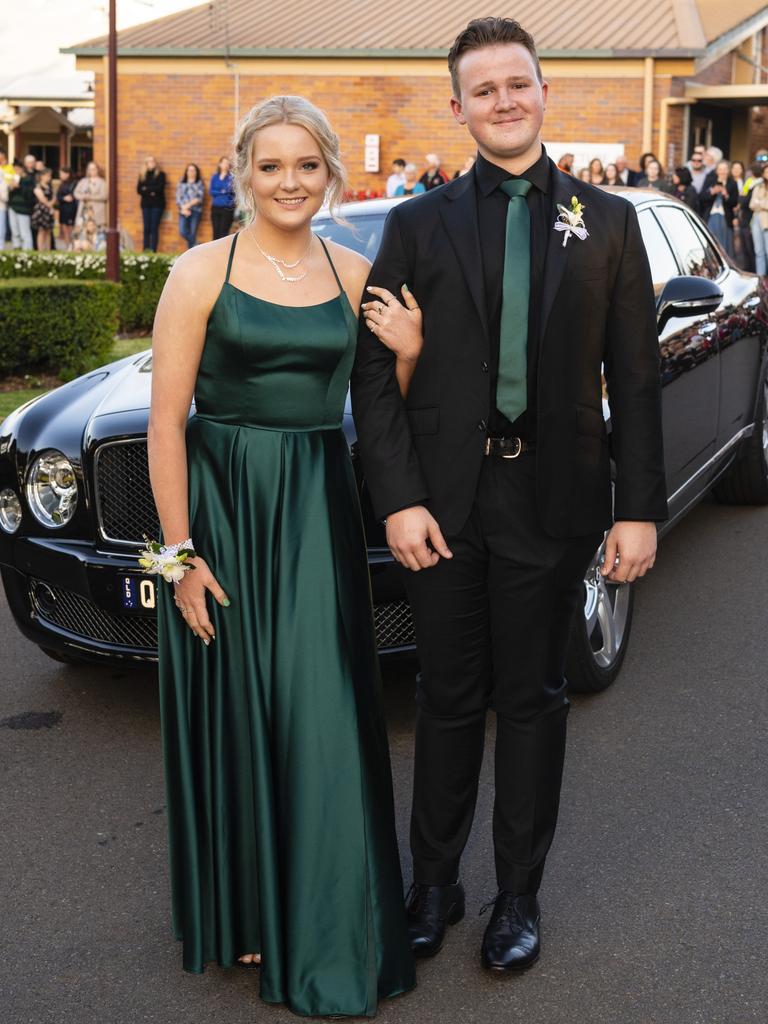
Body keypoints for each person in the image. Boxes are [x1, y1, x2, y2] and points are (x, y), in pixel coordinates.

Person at [352, 15, 666, 975]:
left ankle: (517, 897)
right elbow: (374, 372)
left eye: (517, 84)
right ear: (458, 107)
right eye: (481, 90)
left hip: (555, 500)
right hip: (444, 506)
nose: (503, 101)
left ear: (543, 90)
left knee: (531, 700)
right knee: (447, 698)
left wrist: (637, 507)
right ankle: (433, 887)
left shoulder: (604, 223)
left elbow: (636, 377)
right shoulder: (416, 223)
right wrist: (399, 498)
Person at [146, 94, 416, 1016]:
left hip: (314, 515)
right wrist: (178, 556)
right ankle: (253, 914)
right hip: (224, 511)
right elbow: (165, 423)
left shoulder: (354, 273)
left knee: (323, 713)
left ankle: (332, 924)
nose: (290, 182)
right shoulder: (198, 272)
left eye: (307, 165)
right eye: (271, 166)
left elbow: (386, 408)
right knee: (238, 710)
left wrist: (410, 353)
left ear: (331, 171)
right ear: (242, 172)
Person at [700, 159, 738, 257]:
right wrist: (712, 192)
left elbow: (734, 202)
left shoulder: (732, 183)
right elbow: (701, 197)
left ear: (728, 170)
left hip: (725, 217)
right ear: (717, 171)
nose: (722, 172)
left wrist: (726, 195)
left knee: (725, 243)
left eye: (725, 169)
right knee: (711, 241)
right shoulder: (710, 180)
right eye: (720, 169)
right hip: (711, 216)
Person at [137, 155, 166, 252]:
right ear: (146, 164)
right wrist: (151, 191)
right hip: (146, 205)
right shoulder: (142, 175)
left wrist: (147, 189)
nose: (151, 163)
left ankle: (153, 250)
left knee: (154, 227)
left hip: (157, 205)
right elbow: (139, 190)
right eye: (149, 161)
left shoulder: (161, 175)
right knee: (146, 228)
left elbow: (159, 189)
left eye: (153, 161)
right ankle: (145, 249)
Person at [7, 154, 36, 249]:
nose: (16, 171)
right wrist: (11, 188)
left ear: (22, 169)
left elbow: (29, 194)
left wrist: (19, 186)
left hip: (23, 209)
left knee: (25, 232)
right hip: (13, 207)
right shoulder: (14, 178)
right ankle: (17, 247)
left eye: (17, 169)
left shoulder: (29, 179)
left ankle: (27, 250)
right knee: (15, 230)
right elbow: (10, 194)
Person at [74, 161, 108, 240]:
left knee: (95, 231)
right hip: (84, 210)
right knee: (81, 229)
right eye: (90, 169)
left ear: (97, 170)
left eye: (94, 169)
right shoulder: (83, 181)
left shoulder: (102, 182)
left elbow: (104, 196)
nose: (92, 171)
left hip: (96, 210)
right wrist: (83, 197)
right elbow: (76, 192)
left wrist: (91, 197)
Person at [176, 163, 205, 248]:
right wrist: (183, 209)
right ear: (186, 172)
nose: (191, 172)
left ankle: (190, 253)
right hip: (183, 211)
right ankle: (196, 244)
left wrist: (187, 206)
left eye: (193, 170)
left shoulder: (199, 183)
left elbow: (199, 198)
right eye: (189, 170)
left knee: (193, 232)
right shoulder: (181, 183)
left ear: (196, 172)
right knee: (183, 231)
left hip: (196, 211)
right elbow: (178, 197)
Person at [209, 156, 236, 239]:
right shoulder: (214, 177)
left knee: (223, 232)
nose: (225, 165)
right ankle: (214, 251)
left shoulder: (231, 177)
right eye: (224, 163)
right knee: (215, 231)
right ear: (220, 164)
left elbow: (230, 190)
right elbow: (211, 191)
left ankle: (223, 252)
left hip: (227, 208)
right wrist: (222, 192)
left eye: (227, 163)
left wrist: (219, 192)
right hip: (215, 207)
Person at [749, 162, 768, 275]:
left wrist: (760, 203)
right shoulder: (758, 186)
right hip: (756, 220)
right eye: (765, 171)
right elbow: (752, 204)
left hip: (767, 221)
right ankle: (761, 278)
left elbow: (758, 203)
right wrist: (763, 204)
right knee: (759, 251)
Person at [31, 166, 55, 250]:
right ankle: (40, 249)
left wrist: (52, 205)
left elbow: (54, 197)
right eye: (47, 175)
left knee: (48, 230)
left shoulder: (50, 187)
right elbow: (42, 199)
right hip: (41, 211)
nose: (49, 178)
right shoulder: (38, 187)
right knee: (41, 231)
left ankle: (48, 249)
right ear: (42, 176)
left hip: (49, 210)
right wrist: (49, 205)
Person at [55, 166, 78, 249]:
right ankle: (67, 246)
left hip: (71, 208)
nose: (60, 175)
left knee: (71, 228)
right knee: (64, 228)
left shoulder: (74, 183)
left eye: (62, 173)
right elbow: (58, 196)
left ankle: (73, 245)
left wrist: (70, 197)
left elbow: (75, 195)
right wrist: (63, 198)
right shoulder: (62, 184)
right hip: (63, 208)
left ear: (67, 174)